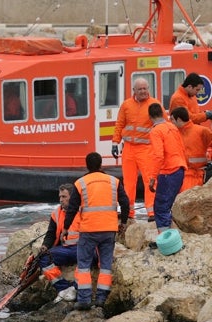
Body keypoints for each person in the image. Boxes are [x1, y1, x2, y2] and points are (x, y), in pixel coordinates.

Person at [63, 152, 130, 310]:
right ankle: (101, 298)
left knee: (84, 265)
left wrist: (66, 227)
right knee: (106, 265)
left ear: (87, 166)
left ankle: (84, 300)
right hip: (109, 230)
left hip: (89, 230)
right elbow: (125, 202)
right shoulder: (114, 181)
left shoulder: (80, 183)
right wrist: (124, 222)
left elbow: (72, 209)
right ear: (101, 165)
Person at [112, 77, 162, 222]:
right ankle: (129, 212)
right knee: (129, 182)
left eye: (145, 88)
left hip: (147, 148)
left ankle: (152, 212)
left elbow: (163, 123)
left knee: (150, 180)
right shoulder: (126, 105)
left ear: (148, 89)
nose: (143, 91)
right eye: (140, 89)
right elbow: (119, 124)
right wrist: (115, 142)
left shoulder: (154, 104)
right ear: (134, 90)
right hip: (128, 148)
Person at [148, 103, 187, 233]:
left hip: (168, 172)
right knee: (168, 205)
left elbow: (158, 156)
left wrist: (153, 177)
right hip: (180, 169)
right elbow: (182, 147)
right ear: (162, 113)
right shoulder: (172, 127)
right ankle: (172, 235)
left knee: (161, 207)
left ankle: (166, 240)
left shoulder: (156, 131)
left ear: (150, 117)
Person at [38, 183, 79, 303]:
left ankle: (76, 289)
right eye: (60, 197)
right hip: (65, 250)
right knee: (43, 258)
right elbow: (51, 233)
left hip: (82, 248)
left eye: (64, 197)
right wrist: (45, 245)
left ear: (72, 197)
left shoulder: (83, 210)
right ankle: (64, 288)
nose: (61, 200)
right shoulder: (56, 213)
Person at [170, 107, 212, 192]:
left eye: (172, 120)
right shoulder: (175, 133)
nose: (171, 122)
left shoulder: (201, 131)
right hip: (180, 173)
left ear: (178, 119)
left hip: (196, 174)